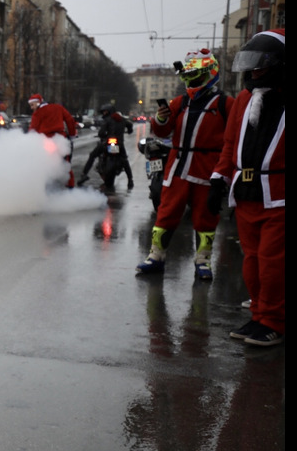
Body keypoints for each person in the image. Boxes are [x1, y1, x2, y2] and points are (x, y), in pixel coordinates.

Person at [208, 28, 285, 347]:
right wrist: (218, 180)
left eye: (261, 65)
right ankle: (259, 315)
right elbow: (230, 145)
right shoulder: (244, 99)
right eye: (251, 66)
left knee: (273, 262)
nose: (254, 72)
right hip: (246, 193)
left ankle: (274, 322)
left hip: (279, 194)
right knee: (252, 261)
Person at [135, 48, 234, 280]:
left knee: (206, 217)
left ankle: (203, 261)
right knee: (166, 213)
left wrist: (224, 174)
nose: (191, 81)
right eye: (188, 76)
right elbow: (162, 130)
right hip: (178, 167)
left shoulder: (225, 104)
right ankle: (156, 257)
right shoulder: (180, 102)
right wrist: (160, 117)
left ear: (209, 73)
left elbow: (234, 139)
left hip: (208, 169)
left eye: (196, 76)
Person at [77, 103, 134, 189]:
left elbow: (101, 133)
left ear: (110, 111)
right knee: (124, 160)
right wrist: (129, 130)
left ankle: (84, 175)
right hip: (119, 143)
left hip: (107, 142)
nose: (104, 114)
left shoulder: (107, 120)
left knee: (92, 155)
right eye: (103, 112)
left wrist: (103, 136)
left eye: (105, 112)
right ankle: (130, 180)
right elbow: (130, 125)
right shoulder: (122, 119)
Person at [27, 93, 78, 188]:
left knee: (44, 164)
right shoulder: (58, 107)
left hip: (45, 141)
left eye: (32, 105)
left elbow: (33, 130)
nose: (31, 108)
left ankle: (45, 187)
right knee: (65, 164)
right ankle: (70, 187)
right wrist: (72, 135)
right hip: (60, 140)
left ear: (38, 103)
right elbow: (70, 120)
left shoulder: (37, 114)